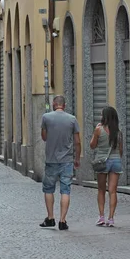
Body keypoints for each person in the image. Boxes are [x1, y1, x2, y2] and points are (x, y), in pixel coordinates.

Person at [40, 95, 81, 231]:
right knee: (65, 190)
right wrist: (77, 158)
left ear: (54, 104)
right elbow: (77, 141)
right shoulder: (72, 119)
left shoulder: (46, 118)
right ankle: (62, 221)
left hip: (51, 159)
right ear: (64, 105)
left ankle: (50, 217)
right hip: (67, 160)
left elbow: (44, 137)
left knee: (48, 189)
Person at [90, 106, 123, 228]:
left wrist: (95, 132)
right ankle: (111, 218)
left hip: (102, 161)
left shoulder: (99, 130)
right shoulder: (119, 133)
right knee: (113, 191)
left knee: (101, 190)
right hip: (116, 161)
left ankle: (101, 216)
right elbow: (121, 150)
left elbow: (92, 145)